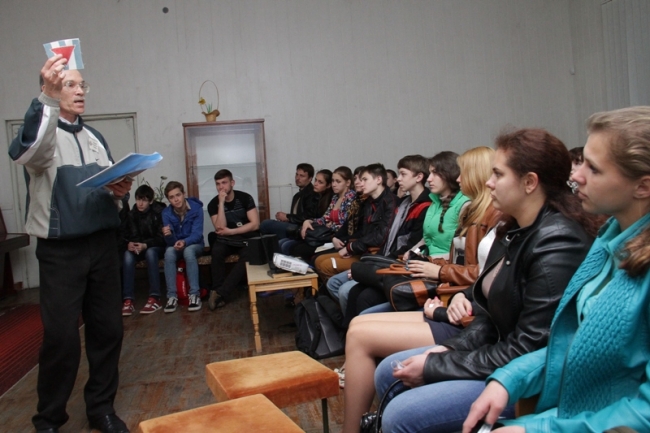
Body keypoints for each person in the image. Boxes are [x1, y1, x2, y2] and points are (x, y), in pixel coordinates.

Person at [372, 129, 599, 433]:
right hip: (498, 354)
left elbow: (529, 347)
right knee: (389, 371)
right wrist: (450, 350)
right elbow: (489, 316)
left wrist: (439, 364)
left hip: (525, 380)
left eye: (498, 174)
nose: (489, 182)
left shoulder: (557, 241)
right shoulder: (514, 227)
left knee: (401, 413)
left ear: (530, 182)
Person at [464, 107, 650, 433]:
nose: (576, 176)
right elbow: (574, 345)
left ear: (643, 187)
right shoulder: (608, 242)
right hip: (573, 415)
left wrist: (537, 429)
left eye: (593, 168)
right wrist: (509, 378)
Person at [8, 55, 132, 432]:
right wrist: (44, 99)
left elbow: (111, 185)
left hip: (102, 245)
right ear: (51, 89)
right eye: (70, 85)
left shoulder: (95, 137)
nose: (80, 92)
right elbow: (25, 151)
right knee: (61, 338)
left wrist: (120, 191)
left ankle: (101, 409)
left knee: (108, 330)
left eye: (82, 85)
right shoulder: (44, 136)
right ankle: (48, 419)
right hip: (61, 252)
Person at [339, 146, 501, 431]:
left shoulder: (489, 215)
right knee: (359, 319)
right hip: (458, 301)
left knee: (361, 325)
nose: (459, 179)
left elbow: (482, 277)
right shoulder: (475, 211)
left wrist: (441, 274)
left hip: (465, 314)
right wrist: (435, 268)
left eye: (463, 173)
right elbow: (472, 270)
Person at [327, 155, 432, 318]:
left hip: (399, 263)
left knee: (351, 291)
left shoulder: (423, 206)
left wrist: (375, 264)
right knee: (345, 288)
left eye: (403, 174)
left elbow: (407, 245)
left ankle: (353, 329)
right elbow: (387, 239)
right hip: (386, 258)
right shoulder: (404, 203)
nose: (398, 178)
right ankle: (348, 328)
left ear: (418, 177)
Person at [315, 163, 398, 283]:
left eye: (365, 179)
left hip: (375, 255)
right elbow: (363, 232)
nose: (361, 183)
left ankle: (340, 288)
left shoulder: (390, 202)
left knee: (326, 266)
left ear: (379, 180)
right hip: (362, 250)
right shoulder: (369, 201)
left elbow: (380, 237)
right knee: (318, 260)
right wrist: (349, 245)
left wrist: (351, 247)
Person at [207, 169, 260, 309]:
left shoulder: (245, 198)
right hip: (226, 240)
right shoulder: (213, 204)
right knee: (217, 251)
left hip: (244, 237)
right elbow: (220, 227)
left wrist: (232, 231)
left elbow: (255, 224)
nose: (221, 187)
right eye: (218, 184)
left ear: (232, 183)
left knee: (249, 255)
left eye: (224, 183)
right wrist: (221, 203)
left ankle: (220, 293)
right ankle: (217, 289)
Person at [290, 166, 356, 261]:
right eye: (333, 181)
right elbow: (325, 218)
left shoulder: (351, 198)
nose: (334, 184)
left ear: (348, 183)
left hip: (339, 238)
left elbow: (345, 224)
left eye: (338, 181)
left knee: (301, 250)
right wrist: (309, 221)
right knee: (294, 247)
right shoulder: (336, 197)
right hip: (329, 235)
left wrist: (330, 225)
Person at [120, 185, 166, 316]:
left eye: (144, 200)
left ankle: (155, 297)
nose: (140, 203)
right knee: (127, 256)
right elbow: (127, 234)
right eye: (138, 199)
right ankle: (128, 300)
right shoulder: (132, 214)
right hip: (139, 247)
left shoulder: (159, 212)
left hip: (157, 246)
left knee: (151, 253)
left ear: (150, 201)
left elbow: (162, 238)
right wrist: (130, 244)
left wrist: (146, 245)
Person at [161, 181, 205, 313]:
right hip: (177, 245)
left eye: (178, 195)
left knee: (188, 252)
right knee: (169, 252)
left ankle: (194, 295)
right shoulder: (166, 213)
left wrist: (184, 242)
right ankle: (172, 296)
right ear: (168, 200)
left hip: (195, 244)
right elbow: (170, 242)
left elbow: (197, 234)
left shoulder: (196, 208)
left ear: (184, 194)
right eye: (172, 197)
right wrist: (168, 235)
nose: (176, 199)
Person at [279, 168, 333, 254]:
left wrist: (289, 218)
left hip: (319, 235)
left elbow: (323, 221)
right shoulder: (317, 196)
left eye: (320, 182)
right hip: (310, 232)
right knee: (282, 242)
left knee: (268, 226)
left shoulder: (330, 199)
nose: (315, 184)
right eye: (316, 180)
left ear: (328, 185)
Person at [260, 163, 319, 240]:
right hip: (294, 225)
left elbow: (308, 216)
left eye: (302, 176)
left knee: (265, 224)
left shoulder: (312, 194)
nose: (297, 178)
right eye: (297, 175)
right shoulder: (297, 196)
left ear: (310, 179)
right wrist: (285, 218)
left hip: (301, 228)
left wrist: (287, 217)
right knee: (276, 237)